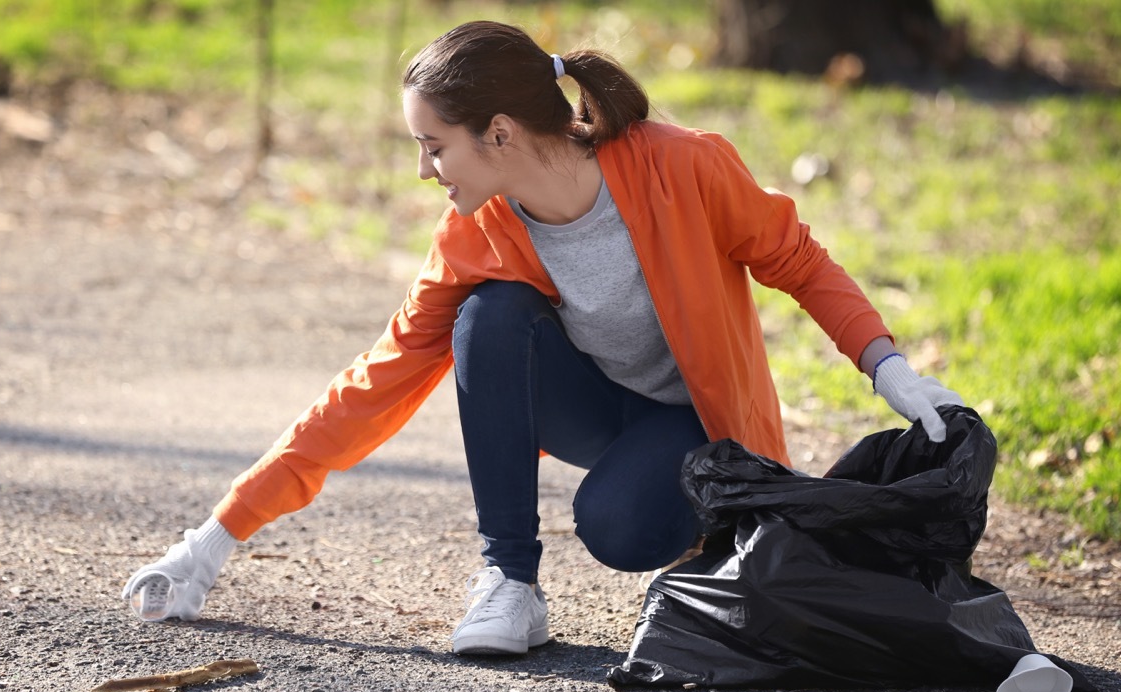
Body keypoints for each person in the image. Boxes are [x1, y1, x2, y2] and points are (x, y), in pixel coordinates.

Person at [121, 20, 962, 655]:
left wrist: (885, 365)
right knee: (487, 319)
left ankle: (710, 524)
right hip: (597, 409)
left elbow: (797, 258)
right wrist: (215, 537)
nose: (424, 171)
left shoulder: (683, 166)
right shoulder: (476, 234)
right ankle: (510, 584)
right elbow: (372, 383)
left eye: (432, 146)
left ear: (500, 133)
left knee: (620, 529)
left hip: (697, 429)